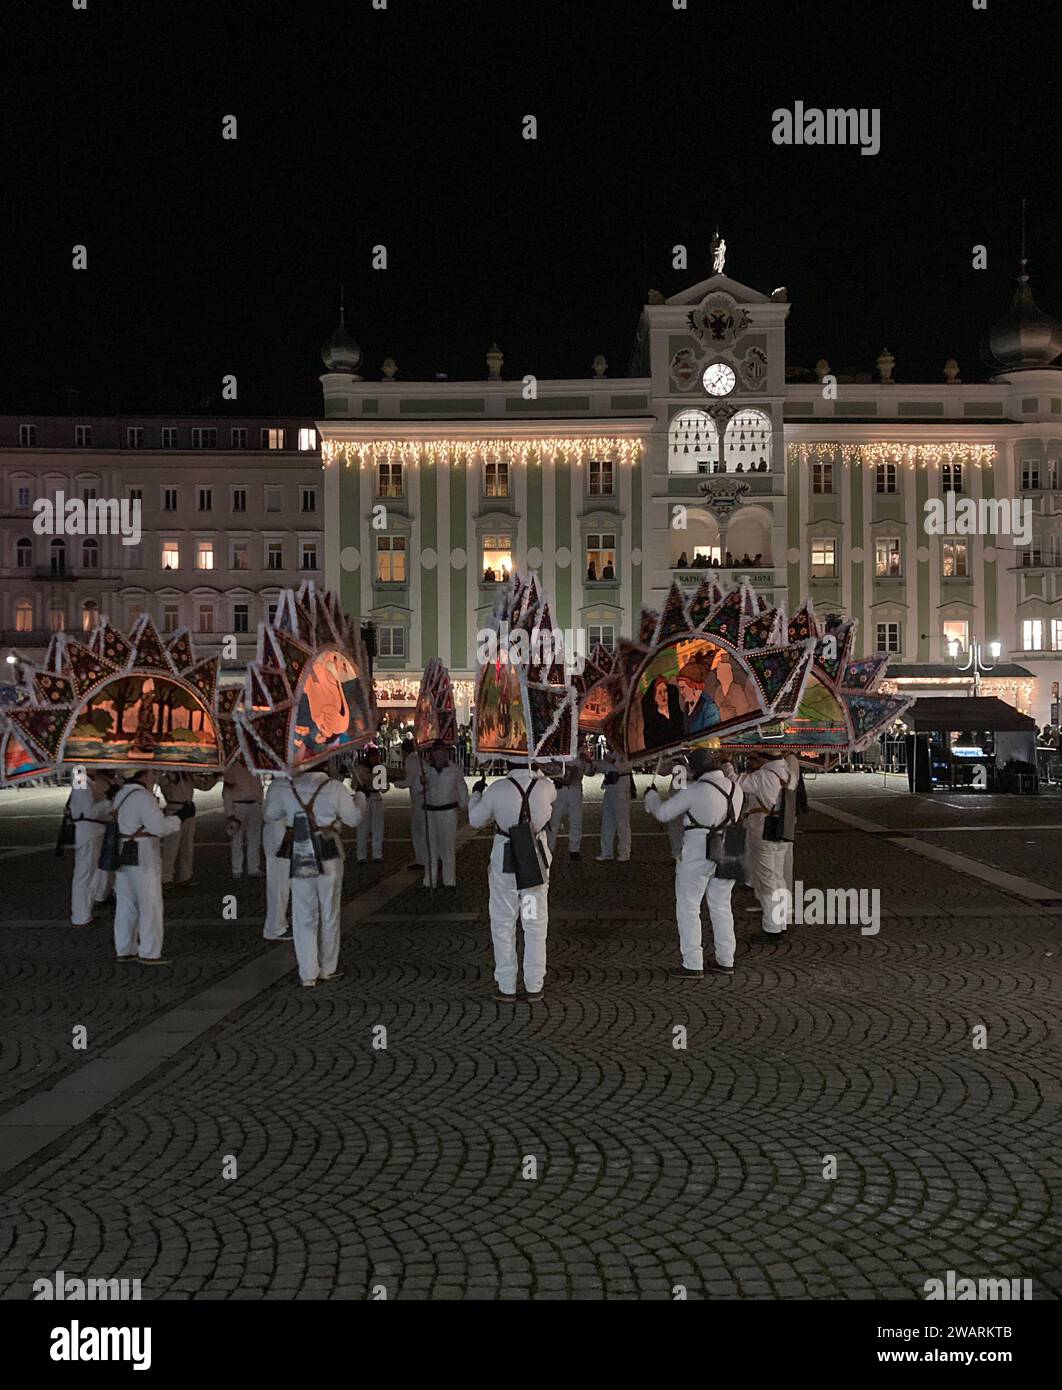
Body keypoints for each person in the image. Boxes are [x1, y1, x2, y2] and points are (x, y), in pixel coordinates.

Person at [645, 748, 745, 976]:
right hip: (731, 845)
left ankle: (693, 963)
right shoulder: (735, 788)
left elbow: (663, 813)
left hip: (699, 847)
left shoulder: (694, 790)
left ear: (695, 768)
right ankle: (726, 959)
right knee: (722, 905)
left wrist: (651, 795)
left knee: (689, 906)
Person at [263, 764, 365, 987]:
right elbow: (354, 819)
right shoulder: (334, 787)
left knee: (303, 914)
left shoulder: (286, 786)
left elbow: (270, 814)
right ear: (326, 763)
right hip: (328, 849)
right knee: (329, 911)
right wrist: (360, 798)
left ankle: (307, 973)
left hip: (301, 849)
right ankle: (328, 967)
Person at [468, 766, 556, 1001]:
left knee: (503, 923)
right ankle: (534, 984)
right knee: (534, 923)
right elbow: (550, 800)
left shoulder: (498, 789)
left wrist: (477, 794)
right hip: (532, 864)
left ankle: (506, 985)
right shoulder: (545, 787)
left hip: (505, 863)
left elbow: (475, 820)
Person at [112, 769, 182, 964]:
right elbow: (158, 828)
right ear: (143, 775)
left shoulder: (121, 794)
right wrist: (178, 818)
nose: (153, 776)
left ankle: (124, 949)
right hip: (143, 854)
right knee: (149, 903)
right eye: (151, 773)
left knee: (126, 904)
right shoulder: (143, 797)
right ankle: (149, 951)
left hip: (122, 851)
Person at [739, 751, 797, 941]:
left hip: (763, 832)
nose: (752, 763)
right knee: (779, 878)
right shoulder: (789, 774)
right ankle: (783, 921)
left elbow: (734, 781)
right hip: (781, 831)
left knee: (767, 881)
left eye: (753, 759)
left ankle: (772, 929)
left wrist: (725, 762)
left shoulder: (763, 776)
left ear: (764, 759)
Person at [68, 771, 116, 927]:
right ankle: (81, 915)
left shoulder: (88, 780)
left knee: (91, 871)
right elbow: (89, 811)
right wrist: (108, 800)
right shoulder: (80, 779)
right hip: (88, 830)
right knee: (85, 872)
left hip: (94, 830)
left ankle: (86, 909)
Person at [422, 739, 469, 887]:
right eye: (437, 751)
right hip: (430, 812)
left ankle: (449, 881)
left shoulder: (454, 769)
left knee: (447, 848)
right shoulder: (426, 770)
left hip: (448, 812)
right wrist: (421, 782)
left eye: (443, 751)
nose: (440, 754)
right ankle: (430, 880)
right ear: (433, 753)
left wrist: (464, 804)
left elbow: (462, 788)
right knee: (431, 848)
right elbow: (417, 790)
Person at [158, 770, 215, 888]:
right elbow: (161, 782)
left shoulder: (188, 775)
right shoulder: (168, 775)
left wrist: (213, 777)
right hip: (174, 809)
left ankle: (186, 875)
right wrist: (171, 776)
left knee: (187, 846)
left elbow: (204, 786)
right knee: (171, 846)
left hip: (188, 810)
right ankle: (165, 877)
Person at [261, 775, 294, 942]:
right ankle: (275, 927)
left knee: (281, 883)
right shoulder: (282, 785)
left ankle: (278, 923)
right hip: (279, 836)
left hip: (279, 835)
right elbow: (269, 813)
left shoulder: (283, 784)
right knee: (279, 884)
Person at [222, 756, 263, 879]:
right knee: (237, 839)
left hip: (254, 804)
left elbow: (259, 786)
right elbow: (227, 792)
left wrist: (260, 802)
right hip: (239, 805)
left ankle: (253, 868)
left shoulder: (255, 765)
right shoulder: (232, 768)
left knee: (254, 838)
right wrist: (230, 812)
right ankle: (237, 869)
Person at [546, 748, 591, 859]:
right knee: (554, 822)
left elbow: (590, 772)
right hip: (560, 789)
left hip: (575, 788)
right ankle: (549, 848)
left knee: (576, 821)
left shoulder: (582, 754)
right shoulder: (558, 751)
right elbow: (549, 768)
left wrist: (589, 761)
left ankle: (574, 850)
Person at [393, 737, 428, 871]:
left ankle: (422, 860)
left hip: (419, 798)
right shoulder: (418, 760)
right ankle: (425, 859)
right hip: (423, 796)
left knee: (418, 831)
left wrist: (394, 782)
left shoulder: (410, 761)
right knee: (422, 830)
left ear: (404, 751)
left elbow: (407, 781)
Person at [596, 748, 633, 861]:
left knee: (622, 823)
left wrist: (611, 762)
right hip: (610, 788)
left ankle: (624, 852)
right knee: (607, 822)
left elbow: (626, 766)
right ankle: (606, 851)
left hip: (621, 788)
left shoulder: (625, 751)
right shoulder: (610, 753)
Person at [354, 745, 385, 863]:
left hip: (376, 797)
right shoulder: (361, 768)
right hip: (365, 798)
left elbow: (384, 788)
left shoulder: (380, 768)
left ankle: (377, 853)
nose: (374, 759)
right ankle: (361, 855)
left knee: (378, 827)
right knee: (363, 827)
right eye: (373, 757)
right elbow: (355, 784)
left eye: (376, 757)